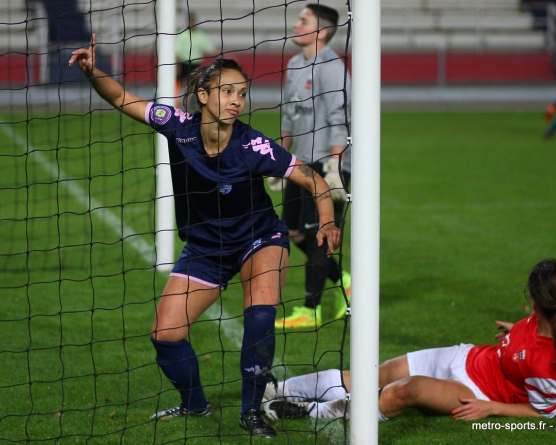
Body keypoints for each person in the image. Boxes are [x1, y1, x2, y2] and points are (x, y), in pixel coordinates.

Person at [69, 35, 341, 438]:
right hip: (205, 248)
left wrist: (328, 222)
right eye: (227, 91)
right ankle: (195, 404)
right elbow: (123, 99)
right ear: (202, 94)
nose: (237, 100)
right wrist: (92, 72)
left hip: (259, 240)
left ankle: (251, 411)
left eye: (243, 93)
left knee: (260, 315)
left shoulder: (254, 145)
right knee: (166, 336)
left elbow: (313, 179)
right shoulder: (177, 126)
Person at [263, 259, 556, 422]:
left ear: (536, 299)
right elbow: (531, 338)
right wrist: (516, 334)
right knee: (377, 373)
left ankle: (310, 413)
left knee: (403, 392)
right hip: (467, 357)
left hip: (479, 391)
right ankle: (281, 389)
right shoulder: (555, 317)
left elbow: (543, 412)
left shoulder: (546, 364)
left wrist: (491, 407)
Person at [271, 3, 352, 330]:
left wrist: (334, 165)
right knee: (290, 231)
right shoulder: (293, 64)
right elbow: (289, 116)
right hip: (300, 164)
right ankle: (343, 278)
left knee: (319, 233)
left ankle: (312, 309)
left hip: (327, 163)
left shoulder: (332, 67)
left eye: (303, 20)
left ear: (321, 31)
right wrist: (279, 158)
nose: (296, 24)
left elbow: (339, 119)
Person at [175, 13, 216, 101]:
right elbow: (177, 51)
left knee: (195, 84)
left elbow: (209, 49)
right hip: (183, 63)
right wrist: (177, 66)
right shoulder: (182, 35)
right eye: (190, 21)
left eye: (193, 21)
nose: (192, 23)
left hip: (196, 64)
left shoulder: (200, 36)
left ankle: (193, 101)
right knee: (177, 82)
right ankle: (175, 100)